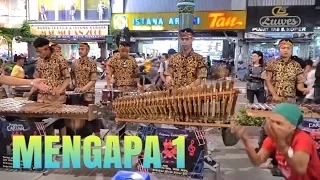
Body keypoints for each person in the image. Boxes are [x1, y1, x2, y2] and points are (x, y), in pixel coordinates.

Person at [164, 28, 217, 171]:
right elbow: (169, 74)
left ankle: (205, 155)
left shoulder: (200, 59)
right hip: (177, 99)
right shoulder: (174, 58)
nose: (185, 42)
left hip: (194, 99)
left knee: (198, 127)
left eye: (187, 39)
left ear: (192, 39)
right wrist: (169, 81)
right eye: (182, 39)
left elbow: (201, 79)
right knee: (179, 127)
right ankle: (181, 155)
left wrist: (186, 88)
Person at [234, 103, 320, 180]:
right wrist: (247, 143)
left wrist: (282, 146)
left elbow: (300, 169)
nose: (273, 126)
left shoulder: (302, 139)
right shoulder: (272, 139)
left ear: (292, 127)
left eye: (279, 123)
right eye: (272, 121)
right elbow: (258, 161)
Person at [25, 37, 71, 137]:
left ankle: (65, 145)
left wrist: (60, 90)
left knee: (59, 123)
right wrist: (30, 93)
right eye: (37, 51)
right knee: (46, 123)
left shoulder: (60, 59)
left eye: (39, 51)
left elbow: (67, 78)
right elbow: (36, 81)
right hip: (41, 98)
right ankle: (50, 145)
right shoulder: (39, 61)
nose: (38, 54)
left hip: (56, 99)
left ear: (46, 48)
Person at [107, 41, 139, 138]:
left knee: (129, 111)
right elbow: (108, 72)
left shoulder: (132, 60)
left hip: (130, 89)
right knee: (118, 112)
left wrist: (138, 83)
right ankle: (118, 132)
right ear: (120, 49)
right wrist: (110, 80)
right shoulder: (114, 59)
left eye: (127, 51)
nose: (125, 53)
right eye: (123, 51)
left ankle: (127, 132)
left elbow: (136, 73)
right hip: (118, 89)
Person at [262, 39, 308, 104]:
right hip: (274, 99)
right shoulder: (271, 63)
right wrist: (274, 95)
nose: (285, 50)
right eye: (283, 48)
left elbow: (299, 82)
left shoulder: (296, 65)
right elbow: (267, 81)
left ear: (291, 50)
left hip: (290, 100)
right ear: (279, 49)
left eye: (288, 48)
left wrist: (304, 89)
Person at [69, 42, 99, 137]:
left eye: (82, 49)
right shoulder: (74, 63)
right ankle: (80, 134)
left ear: (88, 50)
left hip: (89, 93)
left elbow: (93, 80)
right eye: (79, 49)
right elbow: (72, 77)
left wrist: (84, 89)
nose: (80, 51)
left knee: (91, 114)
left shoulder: (92, 63)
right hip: (77, 93)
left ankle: (97, 134)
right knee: (78, 114)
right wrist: (72, 84)